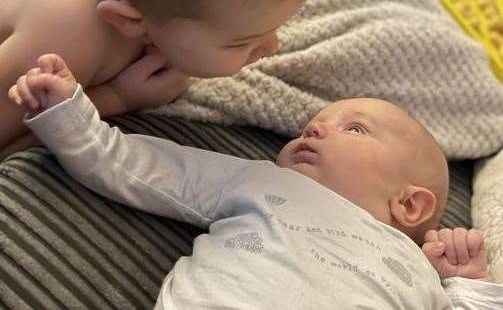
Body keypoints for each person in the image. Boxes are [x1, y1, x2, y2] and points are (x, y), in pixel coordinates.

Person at [10, 54, 503, 309]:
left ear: (410, 205)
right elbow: (134, 167)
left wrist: (470, 286)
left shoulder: (417, 274)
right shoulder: (265, 183)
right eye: (315, 121)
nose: (314, 128)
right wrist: (66, 113)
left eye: (353, 129)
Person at [0, 0, 322, 156]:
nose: (273, 46)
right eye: (241, 42)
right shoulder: (65, 40)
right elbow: (10, 147)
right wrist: (118, 97)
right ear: (130, 21)